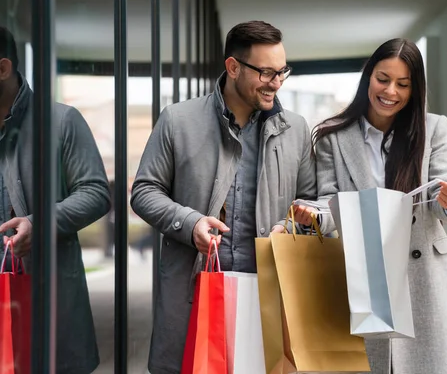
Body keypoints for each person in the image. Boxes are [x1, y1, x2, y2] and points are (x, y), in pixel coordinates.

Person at [130, 20, 318, 374]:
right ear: (233, 67)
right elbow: (143, 191)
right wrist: (191, 222)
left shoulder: (296, 129)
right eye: (265, 72)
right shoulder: (177, 120)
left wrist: (295, 222)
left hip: (271, 295)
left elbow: (311, 200)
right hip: (195, 292)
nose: (276, 83)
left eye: (282, 72)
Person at [302, 38, 447, 373]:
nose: (390, 91)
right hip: (365, 280)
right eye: (383, 79)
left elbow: (443, 197)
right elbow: (328, 202)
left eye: (403, 84)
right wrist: (315, 216)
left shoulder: (434, 128)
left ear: (415, 88)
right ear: (368, 76)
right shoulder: (331, 137)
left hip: (424, 279)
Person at [0, 24, 111, 373]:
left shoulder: (61, 122)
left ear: (2, 68)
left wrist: (38, 223)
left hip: (46, 294)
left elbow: (96, 193)